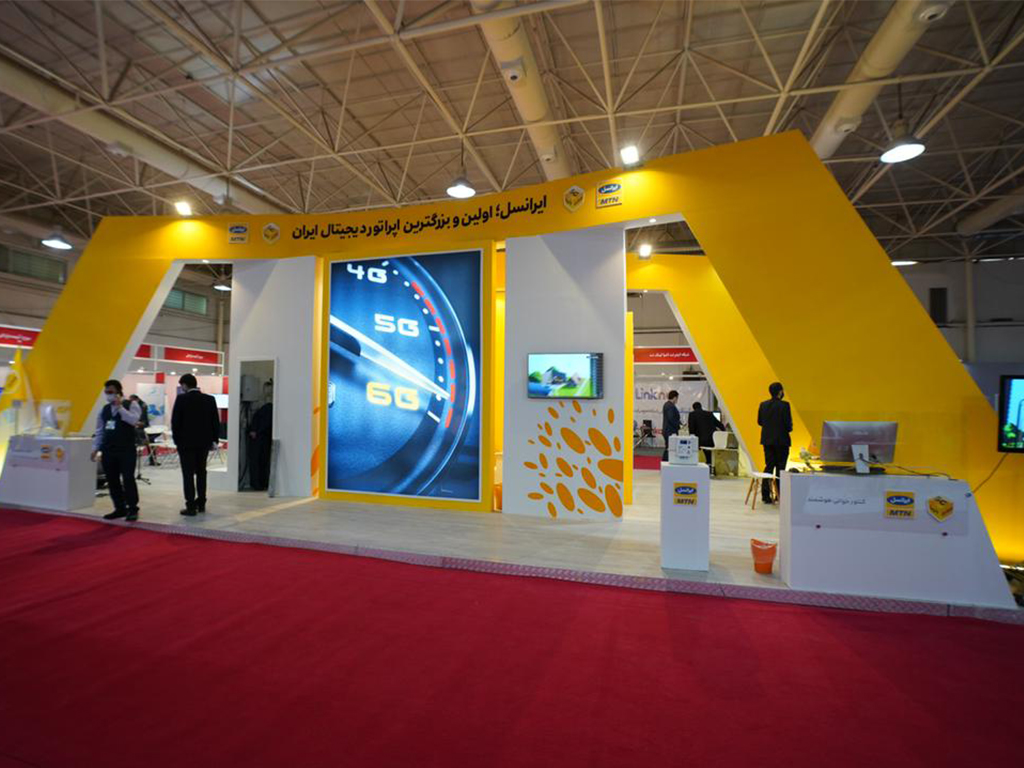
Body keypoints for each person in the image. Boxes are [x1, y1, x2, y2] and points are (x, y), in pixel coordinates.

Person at [91, 379, 142, 521]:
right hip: (108, 449)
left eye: (111, 392)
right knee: (112, 480)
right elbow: (100, 430)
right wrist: (95, 448)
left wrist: (120, 408)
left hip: (126, 449)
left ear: (119, 392)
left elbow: (133, 420)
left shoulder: (131, 404)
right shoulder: (104, 409)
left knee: (128, 478)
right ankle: (119, 508)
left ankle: (132, 508)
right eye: (106, 392)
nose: (108, 394)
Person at [171, 374, 220, 516]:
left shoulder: (181, 399)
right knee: (201, 473)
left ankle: (191, 506)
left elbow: (175, 422)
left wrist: (177, 441)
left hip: (186, 444)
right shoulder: (209, 399)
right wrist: (214, 440)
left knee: (188, 475)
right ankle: (202, 503)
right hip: (204, 443)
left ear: (185, 385)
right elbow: (215, 421)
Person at [757, 381, 793, 504]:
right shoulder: (785, 405)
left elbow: (759, 421)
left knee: (769, 466)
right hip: (782, 441)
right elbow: (788, 425)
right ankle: (779, 494)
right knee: (780, 468)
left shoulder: (763, 405)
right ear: (780, 392)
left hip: (767, 440)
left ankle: (765, 495)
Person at [688, 402, 725, 469]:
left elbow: (691, 429)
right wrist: (724, 432)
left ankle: (705, 467)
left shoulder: (692, 414)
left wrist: (693, 440)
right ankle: (710, 467)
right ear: (701, 407)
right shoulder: (709, 414)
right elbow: (719, 424)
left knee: (695, 454)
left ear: (693, 408)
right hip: (711, 440)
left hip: (700, 441)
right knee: (709, 455)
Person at [129, 394, 158, 467]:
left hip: (143, 427)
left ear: (136, 399)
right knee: (148, 442)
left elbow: (142, 416)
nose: (131, 402)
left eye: (132, 400)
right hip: (139, 426)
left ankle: (153, 460)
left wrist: (138, 423)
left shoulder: (142, 405)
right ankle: (152, 460)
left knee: (150, 442)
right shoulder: (137, 404)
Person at [661, 389, 681, 461]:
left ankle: (664, 463)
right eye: (677, 398)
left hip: (668, 430)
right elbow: (671, 418)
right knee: (669, 448)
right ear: (675, 397)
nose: (677, 400)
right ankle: (665, 463)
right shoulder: (670, 406)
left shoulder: (667, 405)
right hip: (670, 431)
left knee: (668, 448)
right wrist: (679, 425)